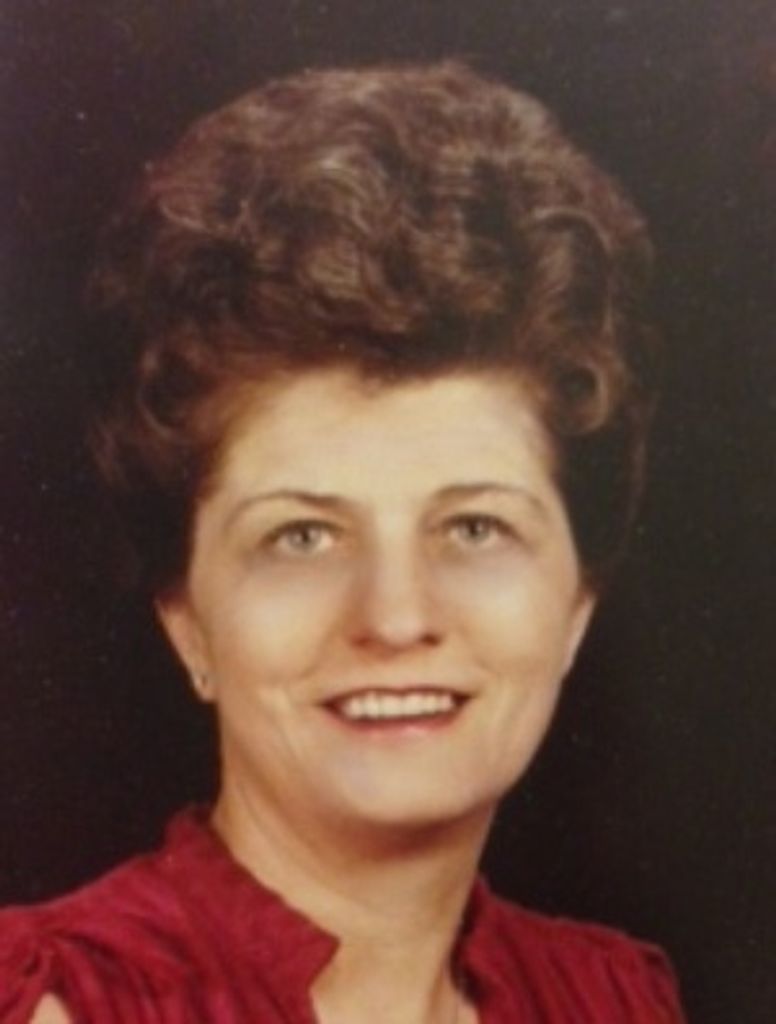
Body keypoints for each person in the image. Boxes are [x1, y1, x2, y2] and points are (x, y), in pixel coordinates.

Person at [0, 61, 686, 1023]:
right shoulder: (61, 1003)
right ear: (187, 619)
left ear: (576, 605)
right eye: (303, 536)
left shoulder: (612, 999)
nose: (396, 616)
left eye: (475, 527)